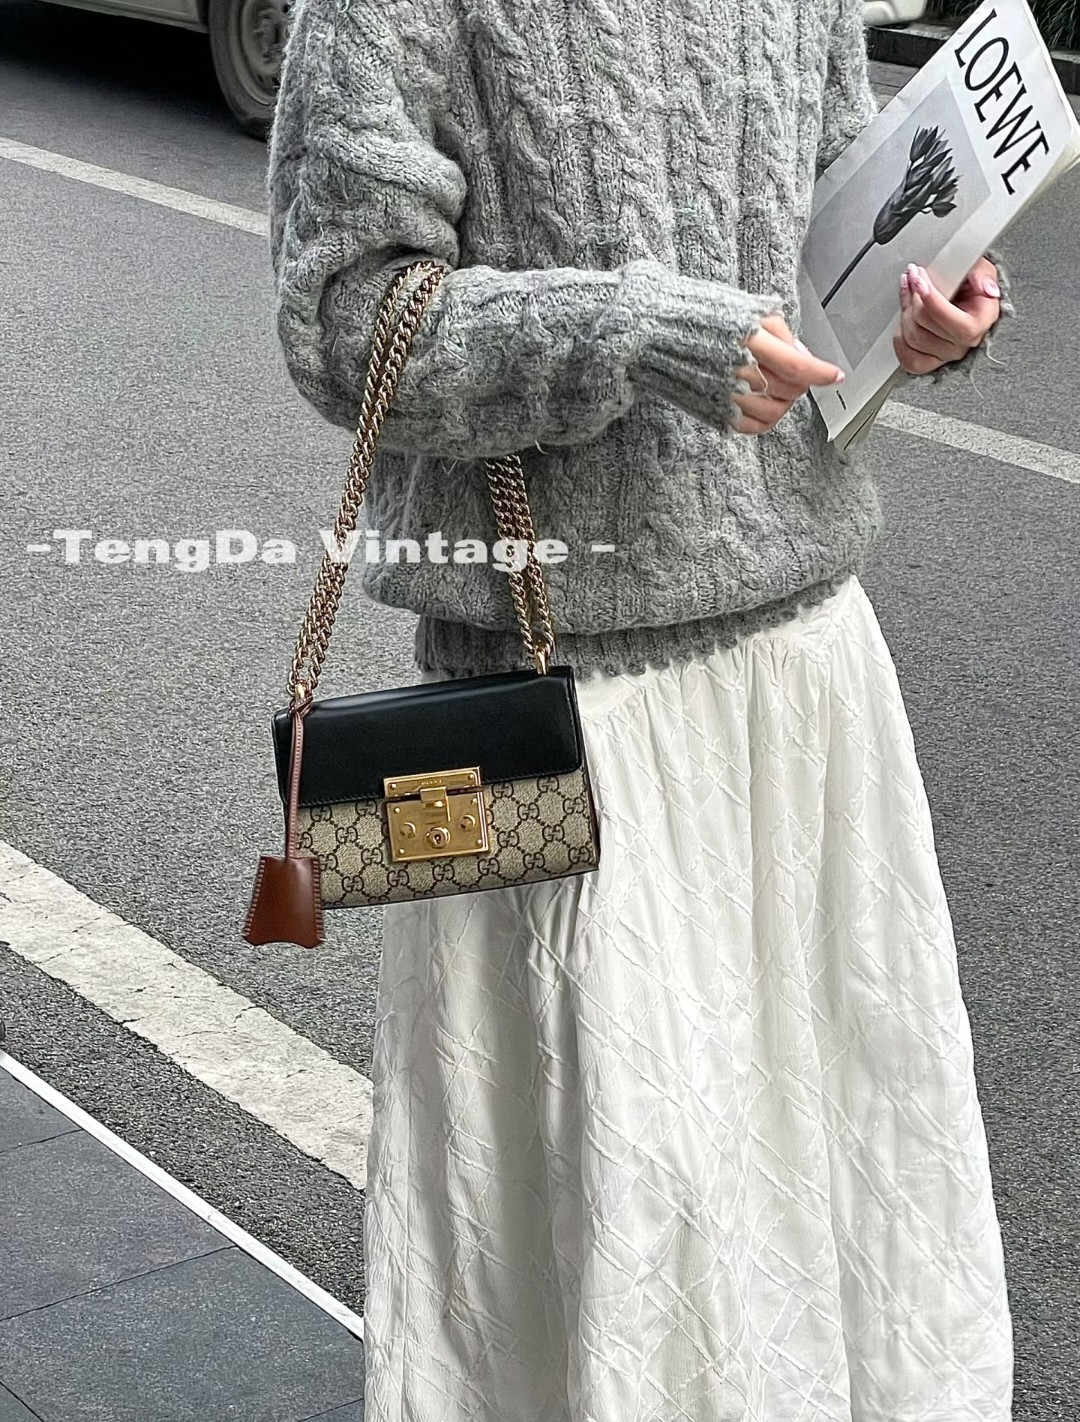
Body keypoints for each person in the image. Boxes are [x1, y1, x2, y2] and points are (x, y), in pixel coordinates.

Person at [266, 0, 1014, 1416]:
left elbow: (838, 215)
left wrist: (930, 303)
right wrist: (633, 331)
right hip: (549, 702)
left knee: (845, 1130)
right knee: (617, 1185)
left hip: (808, 670)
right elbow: (346, 323)